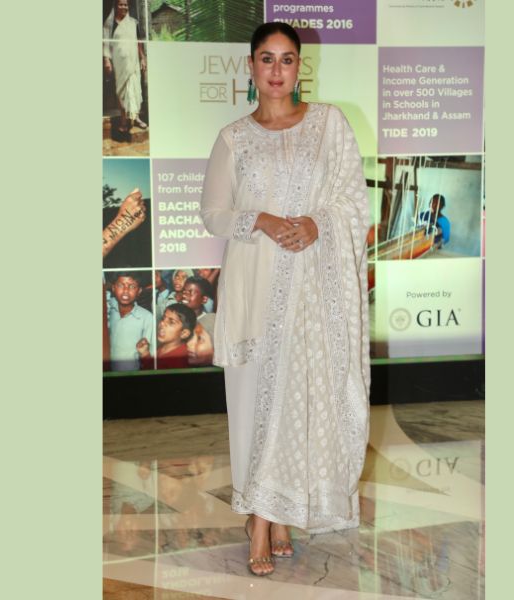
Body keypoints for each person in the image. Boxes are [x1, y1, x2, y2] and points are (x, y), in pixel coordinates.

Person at [199, 23, 370, 577]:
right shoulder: (233, 138)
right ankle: (258, 517)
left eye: (288, 59)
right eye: (267, 59)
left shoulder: (329, 125)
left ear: (300, 67)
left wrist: (318, 224)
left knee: (299, 404)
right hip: (254, 286)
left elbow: (351, 200)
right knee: (255, 402)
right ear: (250, 66)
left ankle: (279, 513)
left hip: (314, 294)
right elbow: (214, 213)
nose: (277, 70)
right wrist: (263, 220)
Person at [103, 0, 147, 137]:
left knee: (134, 88)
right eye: (121, 4)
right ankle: (123, 121)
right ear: (116, 6)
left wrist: (142, 58)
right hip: (119, 62)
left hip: (133, 61)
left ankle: (136, 118)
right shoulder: (110, 24)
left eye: (126, 5)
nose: (124, 7)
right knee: (121, 91)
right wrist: (106, 59)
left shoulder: (133, 23)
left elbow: (139, 42)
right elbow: (105, 43)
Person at [107, 272, 154, 371]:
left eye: (132, 286)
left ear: (139, 291)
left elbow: (149, 356)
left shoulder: (147, 318)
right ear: (113, 288)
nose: (126, 290)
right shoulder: (107, 308)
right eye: (120, 285)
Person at [147, 303, 196, 369]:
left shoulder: (179, 360)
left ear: (184, 333)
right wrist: (145, 353)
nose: (162, 323)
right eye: (163, 318)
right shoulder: (164, 347)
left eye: (171, 322)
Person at [181, 276, 216, 366]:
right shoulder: (178, 320)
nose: (184, 295)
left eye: (190, 292)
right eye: (184, 291)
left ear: (204, 299)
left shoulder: (211, 320)